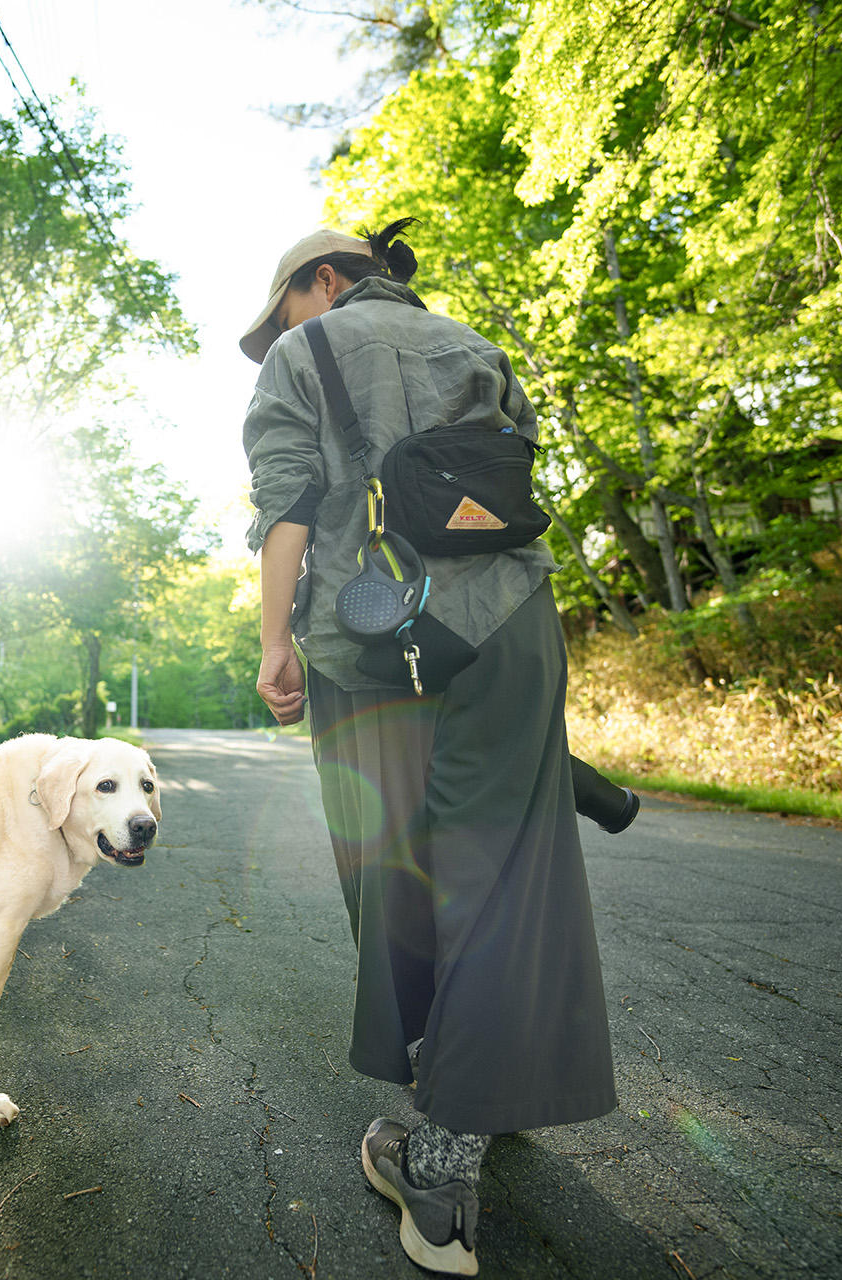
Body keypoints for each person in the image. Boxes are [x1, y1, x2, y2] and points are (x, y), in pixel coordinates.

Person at [239, 220, 620, 1275]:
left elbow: (288, 511)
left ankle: (439, 1156)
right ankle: (478, 1085)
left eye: (284, 308)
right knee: (506, 871)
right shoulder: (475, 345)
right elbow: (515, 486)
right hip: (511, 625)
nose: (281, 329)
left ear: (322, 281)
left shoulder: (300, 355)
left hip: (375, 641)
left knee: (394, 869)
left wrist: (276, 645)